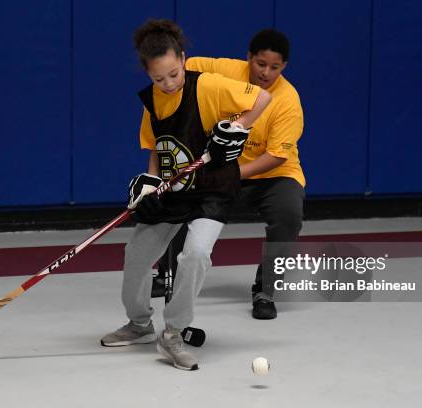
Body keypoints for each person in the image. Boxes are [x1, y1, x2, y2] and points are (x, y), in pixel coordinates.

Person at [100, 19, 271, 371]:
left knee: (194, 255)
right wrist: (149, 181)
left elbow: (262, 98)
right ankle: (140, 324)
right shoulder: (152, 101)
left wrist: (238, 127)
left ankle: (173, 333)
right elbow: (157, 148)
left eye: (174, 74)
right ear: (147, 74)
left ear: (183, 59)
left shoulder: (207, 86)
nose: (167, 83)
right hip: (174, 188)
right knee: (136, 256)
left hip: (212, 190)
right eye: (158, 78)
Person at [154, 29, 305, 320]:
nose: (265, 72)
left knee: (289, 214)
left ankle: (266, 290)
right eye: (260, 63)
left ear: (284, 67)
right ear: (249, 57)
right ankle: (167, 274)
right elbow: (184, 68)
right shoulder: (225, 71)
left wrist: (230, 174)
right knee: (182, 197)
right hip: (225, 168)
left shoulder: (288, 100)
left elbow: (275, 156)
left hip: (272, 175)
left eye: (275, 67)